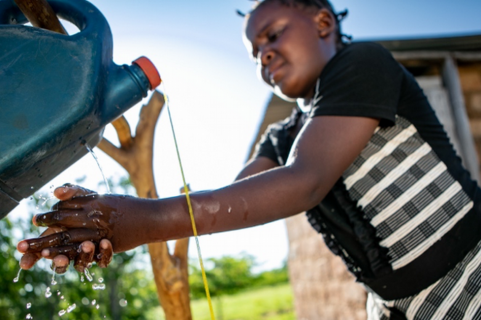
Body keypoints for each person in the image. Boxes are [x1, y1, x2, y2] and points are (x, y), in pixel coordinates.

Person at [16, 0, 481, 319]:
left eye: (272, 35)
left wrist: (144, 219)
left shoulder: (363, 65)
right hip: (391, 303)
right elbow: (239, 198)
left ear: (323, 23)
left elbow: (306, 181)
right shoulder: (283, 136)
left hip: (468, 275)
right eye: (255, 53)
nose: (265, 55)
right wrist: (104, 223)